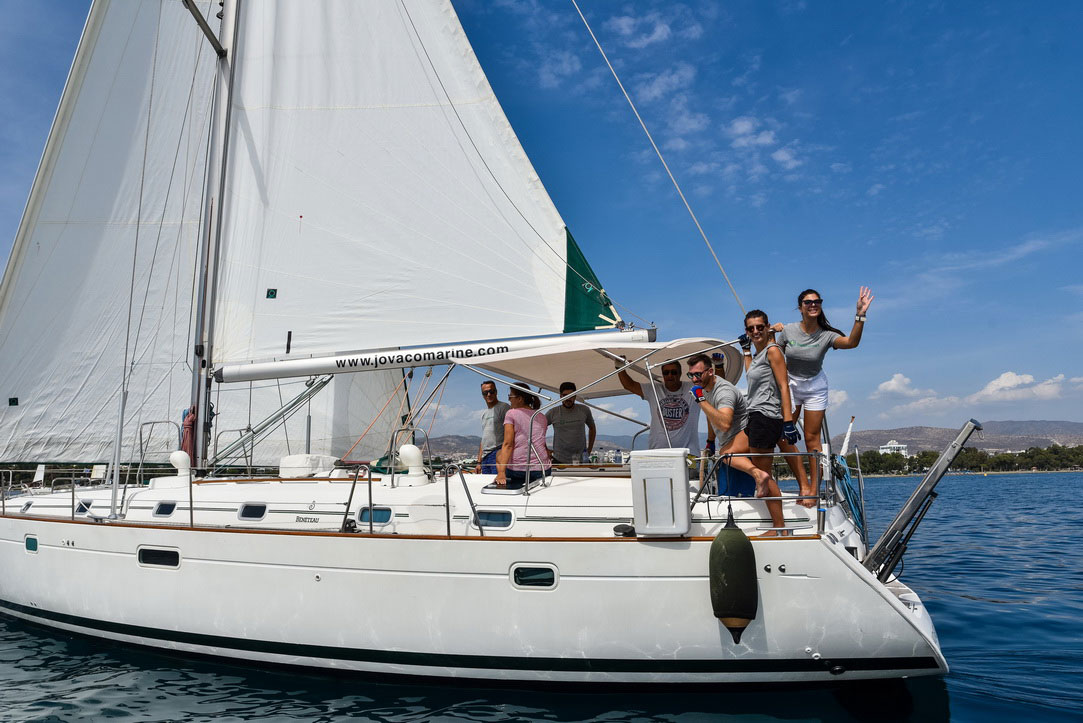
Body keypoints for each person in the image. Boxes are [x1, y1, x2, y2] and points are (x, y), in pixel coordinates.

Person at [771, 287, 874, 500]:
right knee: (783, 438)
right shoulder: (788, 330)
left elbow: (851, 343)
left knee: (812, 439)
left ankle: (813, 490)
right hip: (790, 384)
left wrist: (860, 315)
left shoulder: (827, 335)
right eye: (808, 302)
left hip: (815, 386)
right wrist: (772, 333)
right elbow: (773, 354)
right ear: (800, 307)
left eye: (817, 301)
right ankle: (802, 483)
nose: (813, 305)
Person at [686, 353, 785, 531]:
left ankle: (779, 526)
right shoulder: (706, 388)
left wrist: (700, 400)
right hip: (733, 444)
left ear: (709, 372)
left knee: (760, 473)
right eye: (691, 375)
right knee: (730, 463)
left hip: (747, 439)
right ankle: (777, 525)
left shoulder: (723, 391)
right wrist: (710, 441)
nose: (694, 379)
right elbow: (711, 416)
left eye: (698, 374)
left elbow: (724, 423)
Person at [741, 309, 811, 519]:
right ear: (746, 331)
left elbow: (783, 386)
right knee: (731, 452)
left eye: (760, 327)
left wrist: (788, 422)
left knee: (764, 474)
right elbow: (751, 374)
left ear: (767, 327)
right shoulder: (759, 355)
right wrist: (746, 351)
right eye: (751, 328)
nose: (755, 331)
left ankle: (779, 526)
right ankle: (802, 487)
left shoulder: (772, 351)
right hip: (757, 415)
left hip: (765, 416)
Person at [616, 358, 700, 450]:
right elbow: (629, 385)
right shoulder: (654, 389)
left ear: (680, 374)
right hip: (658, 452)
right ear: (663, 375)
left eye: (674, 372)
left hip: (688, 453)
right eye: (666, 373)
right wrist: (620, 368)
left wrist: (715, 366)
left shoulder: (693, 388)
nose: (670, 375)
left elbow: (710, 384)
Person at [494, 382, 552, 489]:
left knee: (498, 454)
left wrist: (501, 473)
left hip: (519, 471)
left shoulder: (511, 413)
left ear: (520, 399)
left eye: (510, 396)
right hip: (544, 469)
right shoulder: (541, 416)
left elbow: (508, 444)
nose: (509, 400)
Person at [545, 382, 596, 464]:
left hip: (581, 460)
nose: (568, 398)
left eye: (571, 395)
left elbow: (592, 428)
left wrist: (589, 450)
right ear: (560, 396)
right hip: (559, 459)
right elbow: (538, 430)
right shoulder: (553, 412)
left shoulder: (584, 410)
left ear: (575, 396)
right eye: (565, 395)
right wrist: (545, 449)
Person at [474, 381, 510, 474]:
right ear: (482, 395)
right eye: (485, 393)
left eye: (491, 391)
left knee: (498, 482)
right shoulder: (484, 413)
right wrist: (479, 462)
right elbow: (484, 438)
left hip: (498, 453)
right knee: (487, 482)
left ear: (496, 392)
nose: (489, 394)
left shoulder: (504, 407)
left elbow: (511, 432)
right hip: (485, 457)